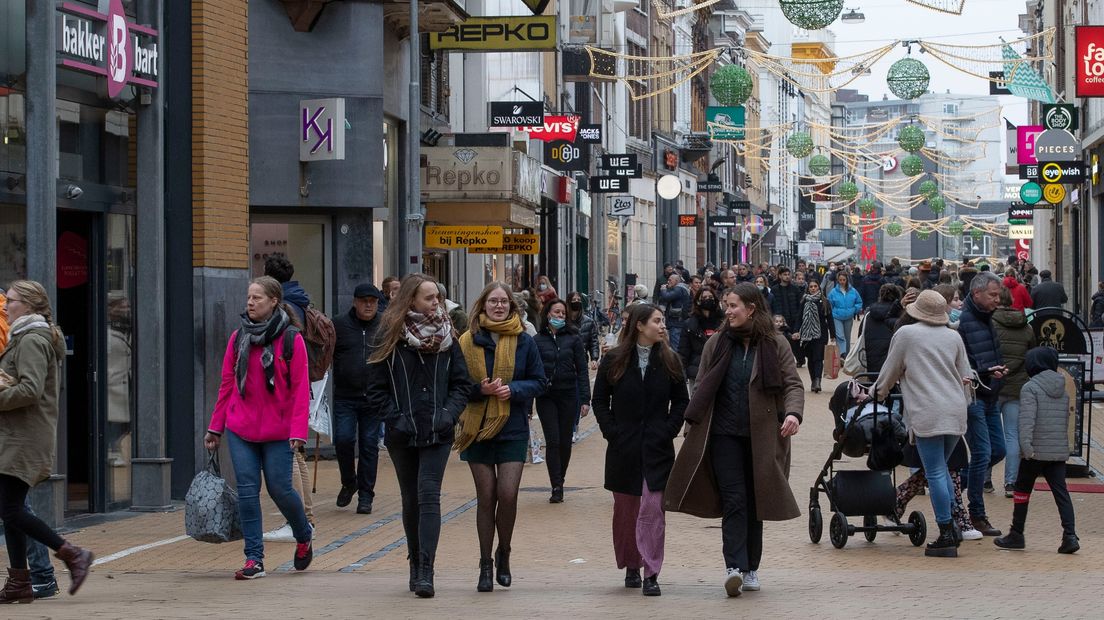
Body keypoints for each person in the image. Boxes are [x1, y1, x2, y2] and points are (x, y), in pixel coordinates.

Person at [666, 282, 803, 596]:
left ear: (751, 308)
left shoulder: (775, 343)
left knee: (757, 501)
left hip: (764, 436)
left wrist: (793, 414)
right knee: (734, 500)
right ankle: (734, 567)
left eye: (732, 306)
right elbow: (702, 384)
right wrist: (693, 422)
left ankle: (751, 567)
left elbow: (793, 384)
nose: (726, 311)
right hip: (722, 434)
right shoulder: (717, 343)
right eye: (726, 306)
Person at [366, 274, 472, 598]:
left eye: (437, 298)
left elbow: (461, 384)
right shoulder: (389, 337)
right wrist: (396, 419)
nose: (436, 304)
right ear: (411, 300)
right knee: (410, 499)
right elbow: (374, 388)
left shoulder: (448, 337)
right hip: (403, 433)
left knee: (429, 495)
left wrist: (448, 414)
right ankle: (414, 563)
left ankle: (427, 568)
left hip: (438, 431)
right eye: (429, 298)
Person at [204, 276, 314, 580]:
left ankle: (303, 534)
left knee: (280, 488)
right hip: (241, 428)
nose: (250, 303)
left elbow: (300, 389)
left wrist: (298, 431)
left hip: (279, 431)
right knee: (248, 492)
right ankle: (254, 558)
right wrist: (216, 427)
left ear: (274, 301)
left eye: (257, 298)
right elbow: (227, 384)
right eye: (249, 297)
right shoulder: (238, 338)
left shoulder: (292, 340)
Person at [0, 281, 94, 603]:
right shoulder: (27, 337)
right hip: (17, 434)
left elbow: (30, 390)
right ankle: (19, 582)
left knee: (12, 510)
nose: (5, 306)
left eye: (10, 301)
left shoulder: (32, 340)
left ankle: (72, 553)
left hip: (24, 436)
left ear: (27, 305)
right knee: (9, 509)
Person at [592, 303, 688, 597]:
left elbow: (682, 401)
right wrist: (613, 432)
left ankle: (651, 571)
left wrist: (667, 430)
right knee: (626, 510)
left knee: (653, 509)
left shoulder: (671, 360)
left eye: (662, 321)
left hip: (657, 448)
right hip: (624, 448)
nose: (662, 326)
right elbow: (600, 401)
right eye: (657, 321)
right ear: (639, 325)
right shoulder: (615, 361)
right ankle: (631, 564)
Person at [456, 283, 545, 593]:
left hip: (512, 427)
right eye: (492, 301)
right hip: (477, 429)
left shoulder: (524, 340)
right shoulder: (467, 341)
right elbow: (455, 384)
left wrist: (513, 390)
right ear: (482, 306)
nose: (498, 306)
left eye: (503, 301)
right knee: (487, 496)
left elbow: (539, 381)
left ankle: (503, 551)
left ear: (512, 306)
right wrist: (479, 390)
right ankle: (484, 564)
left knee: (507, 495)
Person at [874, 290, 973, 557]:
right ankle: (953, 525)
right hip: (955, 410)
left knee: (936, 472)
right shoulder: (953, 336)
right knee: (941, 469)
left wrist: (876, 393)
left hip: (928, 411)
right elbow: (966, 374)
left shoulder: (906, 335)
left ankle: (946, 531)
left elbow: (890, 372)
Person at [994, 347, 1079, 553]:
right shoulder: (1063, 386)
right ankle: (1070, 536)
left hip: (1035, 451)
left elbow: (1026, 422)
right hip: (1057, 451)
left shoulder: (1030, 388)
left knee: (1022, 490)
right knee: (1061, 493)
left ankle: (1016, 534)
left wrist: (1027, 449)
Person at [262, 254, 317, 539]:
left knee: (290, 456)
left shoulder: (285, 306)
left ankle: (301, 520)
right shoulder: (301, 300)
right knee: (298, 456)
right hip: (299, 385)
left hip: (285, 389)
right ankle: (306, 516)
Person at [958, 271, 1008, 536]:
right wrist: (988, 371)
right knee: (982, 454)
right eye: (993, 295)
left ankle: (952, 483)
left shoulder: (987, 318)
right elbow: (965, 364)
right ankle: (976, 513)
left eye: (998, 294)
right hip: (974, 397)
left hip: (990, 394)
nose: (997, 300)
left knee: (998, 450)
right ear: (976, 294)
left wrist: (994, 372)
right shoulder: (965, 322)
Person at [332, 283, 386, 514]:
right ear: (354, 302)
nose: (368, 305)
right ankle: (349, 480)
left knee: (369, 446)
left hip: (373, 397)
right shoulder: (339, 325)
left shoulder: (384, 325)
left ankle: (366, 496)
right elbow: (328, 354)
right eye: (364, 301)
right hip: (345, 396)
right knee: (343, 440)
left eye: (372, 301)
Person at [533, 298, 590, 505]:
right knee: (553, 441)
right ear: (547, 314)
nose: (559, 317)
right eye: (556, 313)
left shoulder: (573, 339)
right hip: (546, 396)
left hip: (568, 394)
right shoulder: (537, 340)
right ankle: (556, 485)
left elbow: (582, 370)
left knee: (565, 442)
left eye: (563, 314)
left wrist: (585, 399)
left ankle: (561, 478)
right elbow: (531, 371)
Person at [991, 287, 1036, 499]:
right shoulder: (1025, 326)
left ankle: (985, 479)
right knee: (1012, 435)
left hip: (994, 386)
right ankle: (1011, 483)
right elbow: (1032, 354)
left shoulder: (989, 324)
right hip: (1017, 387)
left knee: (990, 434)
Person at [679, 287, 723, 391]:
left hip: (720, 370)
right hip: (697, 371)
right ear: (698, 301)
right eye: (704, 297)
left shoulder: (723, 322)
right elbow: (683, 351)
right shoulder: (689, 325)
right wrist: (682, 373)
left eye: (710, 297)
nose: (708, 299)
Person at [798, 280, 835, 393]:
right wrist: (796, 331)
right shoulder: (804, 301)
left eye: (815, 286)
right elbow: (799, 317)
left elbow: (830, 319)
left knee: (818, 358)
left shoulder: (824, 301)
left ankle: (818, 381)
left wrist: (833, 335)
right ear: (808, 288)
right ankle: (813, 380)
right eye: (811, 286)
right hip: (807, 335)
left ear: (819, 288)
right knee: (810, 359)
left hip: (821, 334)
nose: (813, 288)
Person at [861, 285, 903, 374]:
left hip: (870, 367)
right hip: (894, 370)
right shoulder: (901, 317)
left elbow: (860, 336)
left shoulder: (869, 315)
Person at [770, 267, 804, 368]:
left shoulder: (795, 289)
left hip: (794, 318)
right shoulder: (774, 289)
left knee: (795, 341)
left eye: (788, 274)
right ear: (780, 276)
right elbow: (773, 304)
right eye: (785, 274)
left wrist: (799, 316)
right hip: (780, 319)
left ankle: (800, 359)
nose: (787, 276)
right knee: (782, 340)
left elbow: (799, 304)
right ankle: (785, 361)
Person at [827, 270, 862, 360]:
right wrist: (832, 312)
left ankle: (846, 355)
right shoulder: (833, 292)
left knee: (847, 337)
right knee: (840, 336)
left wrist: (854, 310)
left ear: (847, 280)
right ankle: (842, 354)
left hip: (849, 317)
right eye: (840, 280)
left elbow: (859, 302)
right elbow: (829, 304)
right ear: (838, 280)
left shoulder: (853, 291)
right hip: (837, 317)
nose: (842, 281)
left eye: (843, 280)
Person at [565, 291, 600, 367]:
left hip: (582, 361)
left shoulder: (589, 322)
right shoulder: (563, 320)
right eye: (574, 300)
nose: (577, 302)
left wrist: (594, 358)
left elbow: (593, 342)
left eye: (579, 300)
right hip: (565, 362)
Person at [658, 273, 692, 351]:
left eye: (670, 280)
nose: (668, 281)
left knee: (675, 346)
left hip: (676, 322)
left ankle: (677, 362)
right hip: (678, 321)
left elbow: (667, 297)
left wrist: (663, 290)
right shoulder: (683, 288)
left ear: (676, 281)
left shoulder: (678, 289)